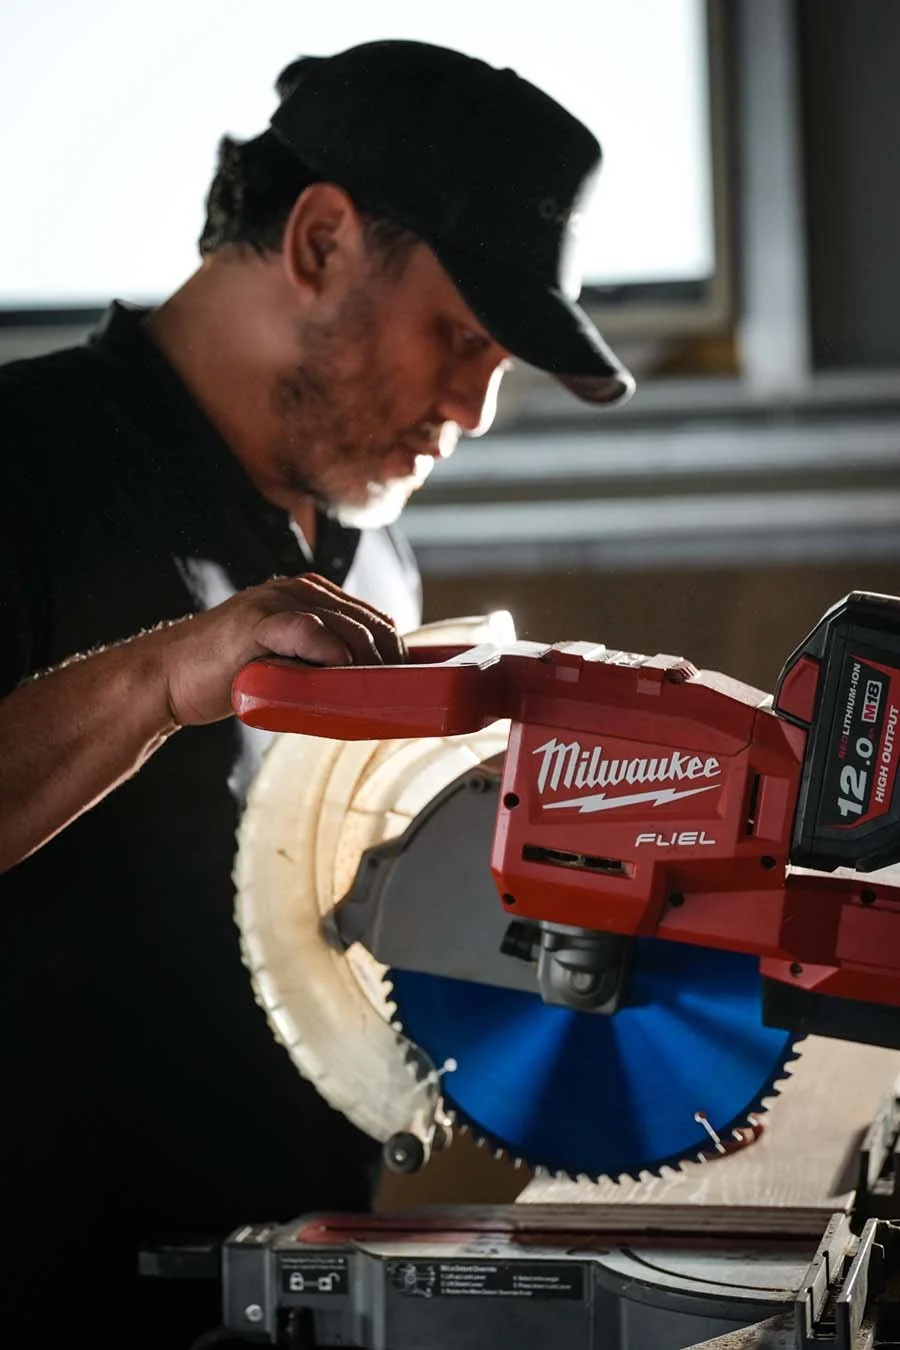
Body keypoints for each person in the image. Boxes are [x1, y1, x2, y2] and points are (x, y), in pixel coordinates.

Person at [0, 38, 633, 1347]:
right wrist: (163, 677)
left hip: (296, 1299)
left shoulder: (368, 544)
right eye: (460, 336)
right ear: (323, 239)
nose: (476, 407)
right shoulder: (28, 464)